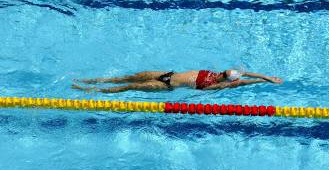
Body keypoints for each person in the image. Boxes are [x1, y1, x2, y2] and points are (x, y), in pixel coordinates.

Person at [72, 69, 283, 93]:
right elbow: (247, 73)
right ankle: (90, 80)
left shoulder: (219, 84)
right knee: (124, 78)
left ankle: (93, 91)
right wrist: (265, 76)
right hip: (167, 73)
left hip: (166, 85)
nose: (222, 73)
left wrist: (264, 82)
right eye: (224, 72)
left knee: (128, 87)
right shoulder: (220, 74)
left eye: (226, 75)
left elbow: (245, 80)